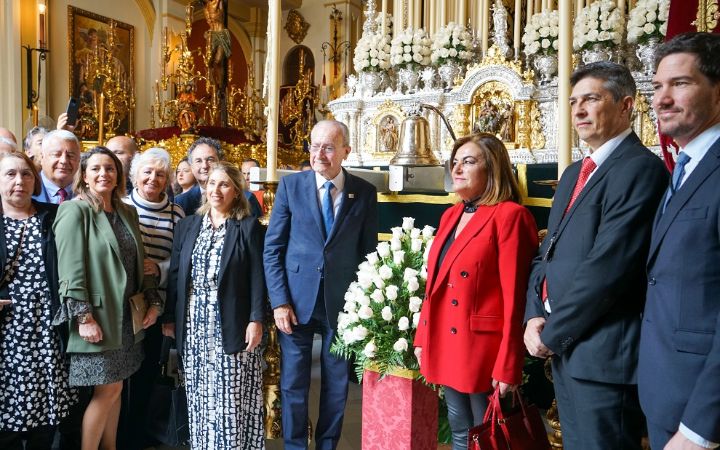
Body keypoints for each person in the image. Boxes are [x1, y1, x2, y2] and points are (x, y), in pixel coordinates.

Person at [523, 61, 668, 450]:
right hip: (567, 349)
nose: (579, 111)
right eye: (573, 102)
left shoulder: (640, 169)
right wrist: (533, 314)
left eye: (591, 99)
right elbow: (545, 254)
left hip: (604, 356)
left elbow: (609, 269)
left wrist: (551, 334)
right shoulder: (573, 173)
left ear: (626, 106)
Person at [413, 133, 537, 450]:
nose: (458, 168)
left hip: (485, 350)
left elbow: (515, 298)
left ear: (492, 168)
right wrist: (422, 337)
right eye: (455, 162)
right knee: (458, 428)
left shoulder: (510, 216)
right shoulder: (450, 214)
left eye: (469, 161)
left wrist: (509, 362)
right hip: (449, 341)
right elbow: (434, 286)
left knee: (489, 436)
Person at [264, 120, 378, 450]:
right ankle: (296, 446)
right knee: (293, 384)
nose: (320, 154)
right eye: (314, 146)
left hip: (342, 305)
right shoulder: (291, 187)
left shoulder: (364, 193)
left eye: (328, 147)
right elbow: (273, 248)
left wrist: (362, 305)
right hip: (296, 302)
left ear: (346, 151)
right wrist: (279, 301)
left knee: (337, 384)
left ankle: (327, 445)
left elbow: (367, 253)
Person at [639, 32, 720, 450]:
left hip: (702, 413)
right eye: (657, 87)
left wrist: (700, 428)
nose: (662, 99)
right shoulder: (683, 166)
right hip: (664, 393)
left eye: (681, 84)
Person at [52, 147, 160, 450]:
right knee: (107, 391)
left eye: (110, 168)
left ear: (118, 175)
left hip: (128, 316)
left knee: (116, 388)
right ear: (84, 175)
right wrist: (83, 318)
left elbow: (141, 261)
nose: (104, 174)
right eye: (96, 168)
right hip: (98, 317)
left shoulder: (127, 211)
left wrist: (152, 301)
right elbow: (70, 271)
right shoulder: (75, 210)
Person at [163, 161, 265, 449]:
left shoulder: (246, 227)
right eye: (211, 183)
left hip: (230, 321)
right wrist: (170, 316)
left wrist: (256, 319)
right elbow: (175, 275)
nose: (216, 190)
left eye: (224, 184)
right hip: (193, 322)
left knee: (228, 394)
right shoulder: (187, 225)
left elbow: (258, 276)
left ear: (236, 191)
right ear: (204, 188)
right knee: (199, 393)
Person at [0, 152, 78, 450]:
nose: (19, 181)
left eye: (26, 174)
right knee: (6, 409)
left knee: (46, 412)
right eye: (10, 174)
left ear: (35, 181)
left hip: (45, 327)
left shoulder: (52, 216)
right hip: (7, 331)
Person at [120, 147, 184, 450]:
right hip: (123, 306)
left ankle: (138, 437)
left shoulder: (176, 213)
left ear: (167, 179)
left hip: (157, 309)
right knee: (119, 379)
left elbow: (183, 262)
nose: (152, 178)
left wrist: (158, 269)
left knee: (147, 375)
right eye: (146, 172)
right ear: (134, 176)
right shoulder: (121, 206)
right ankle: (117, 436)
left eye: (160, 174)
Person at [175, 137, 261, 217]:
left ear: (221, 162)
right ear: (191, 166)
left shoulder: (247, 199)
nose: (204, 166)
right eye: (198, 161)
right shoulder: (180, 202)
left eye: (210, 160)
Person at [33, 130, 80, 205]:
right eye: (56, 154)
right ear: (42, 157)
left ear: (79, 160)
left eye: (71, 156)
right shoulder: (28, 188)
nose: (64, 161)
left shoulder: (89, 193)